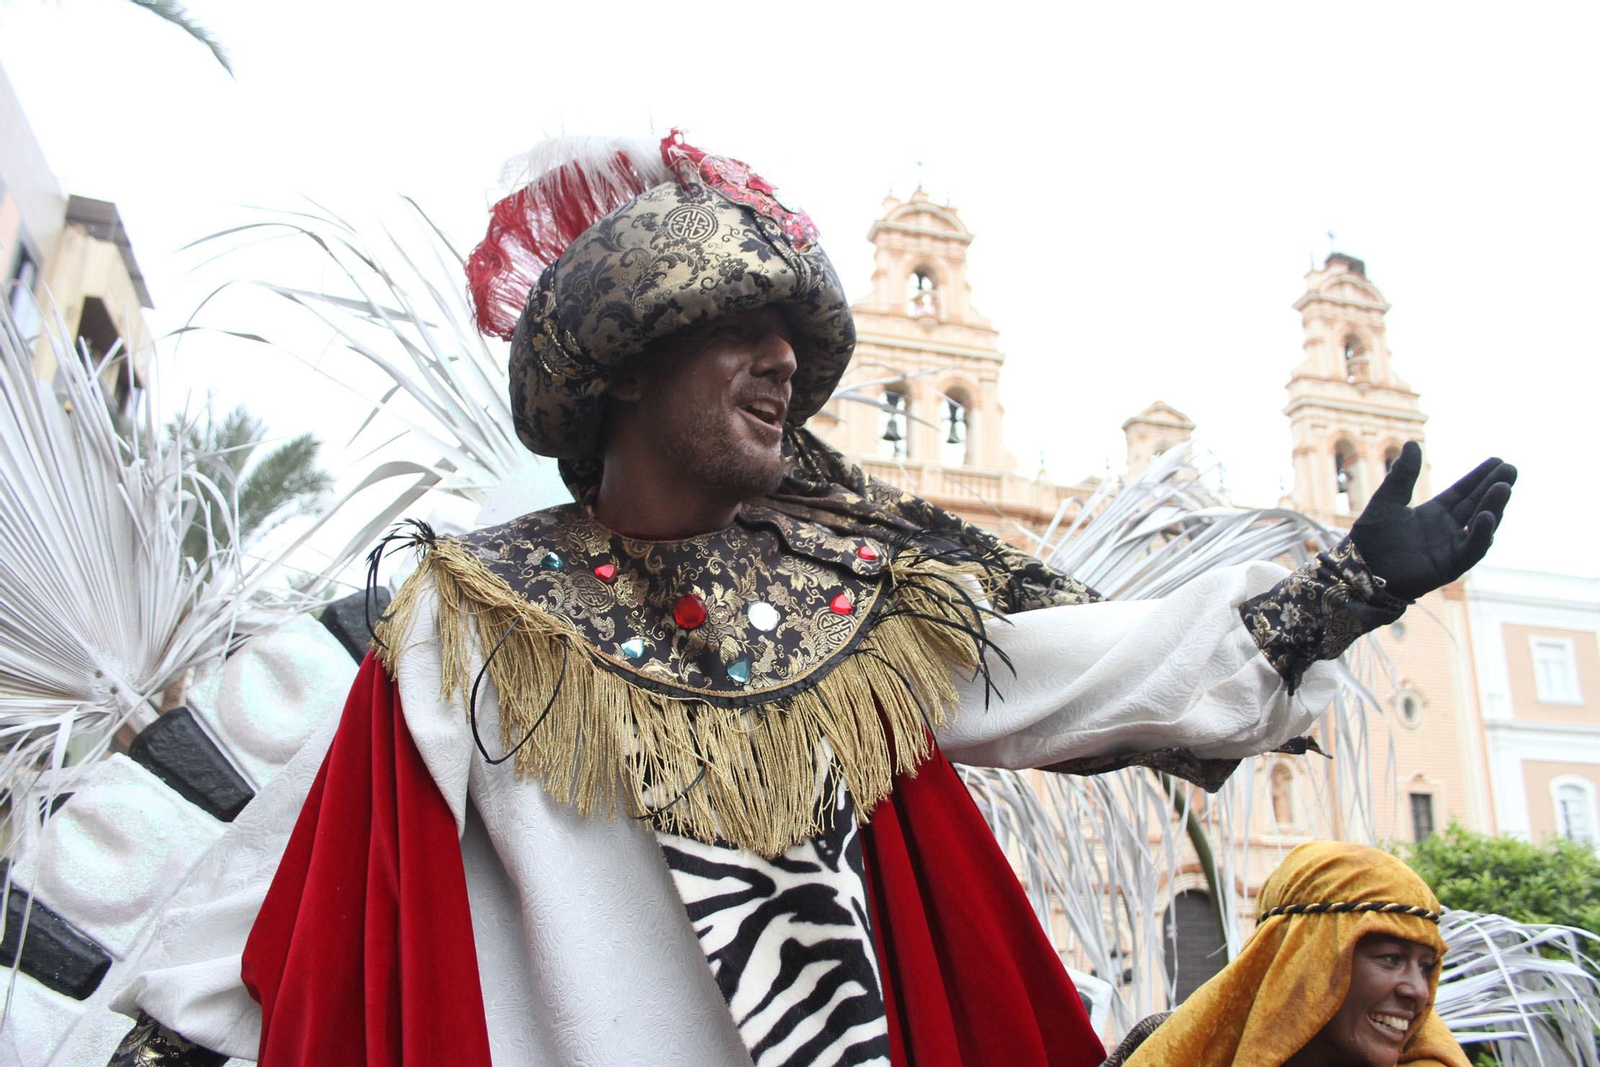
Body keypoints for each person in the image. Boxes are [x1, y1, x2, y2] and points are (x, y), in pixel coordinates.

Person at [109, 133, 1513, 1067]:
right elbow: (292, 892)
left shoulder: (857, 610)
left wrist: (1332, 597)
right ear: (624, 365)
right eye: (738, 328)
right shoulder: (474, 615)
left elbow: (1072, 669)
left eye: (797, 337)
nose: (784, 361)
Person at [1102, 841, 1470, 1067]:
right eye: (1390, 958)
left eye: (1426, 967)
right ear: (1305, 960)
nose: (1419, 992)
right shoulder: (1159, 1048)